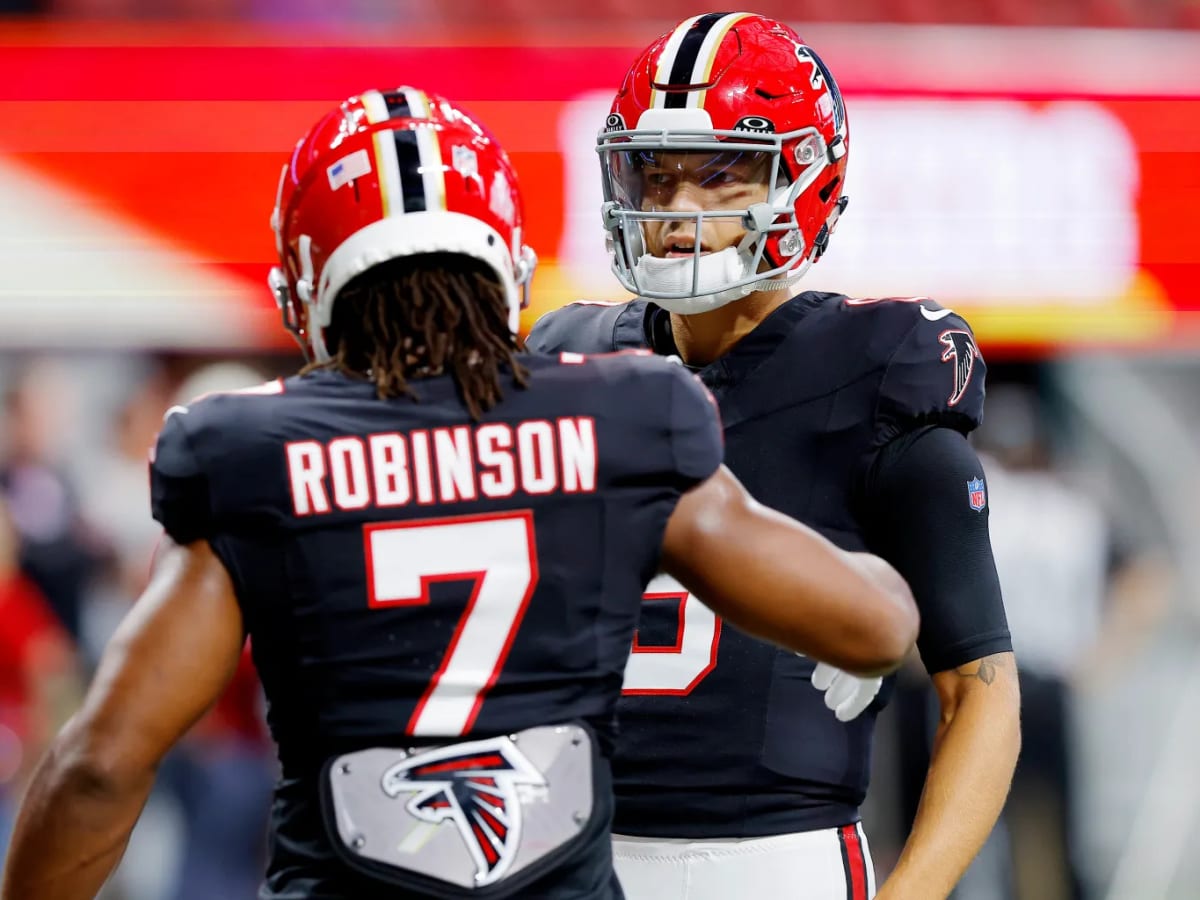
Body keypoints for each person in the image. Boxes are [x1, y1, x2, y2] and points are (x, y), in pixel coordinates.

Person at [1, 87, 917, 900]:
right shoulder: (624, 416)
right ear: (507, 269)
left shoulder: (249, 449)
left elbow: (97, 770)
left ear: (309, 285)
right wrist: (874, 568)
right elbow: (872, 625)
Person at [526, 13, 1020, 900]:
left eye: (721, 175)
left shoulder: (878, 368)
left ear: (807, 178)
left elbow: (981, 694)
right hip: (570, 850)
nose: (677, 211)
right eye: (656, 171)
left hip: (773, 862)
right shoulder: (568, 358)